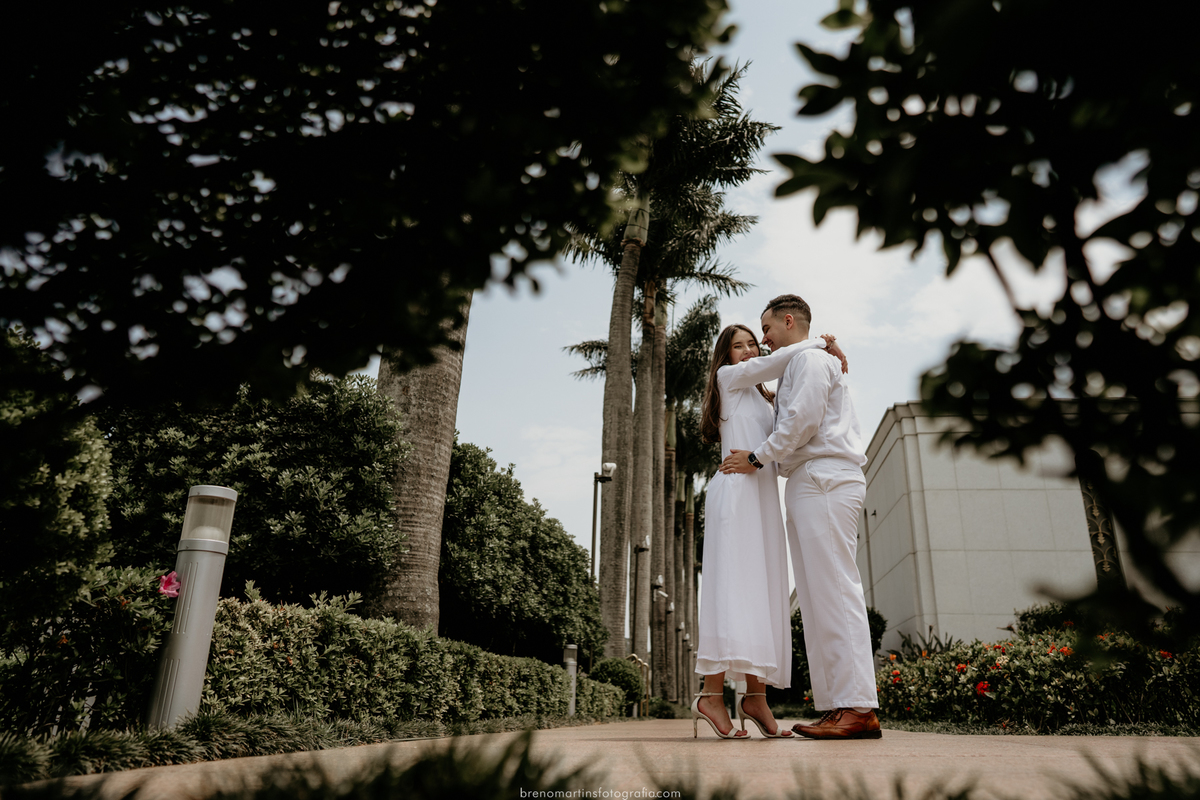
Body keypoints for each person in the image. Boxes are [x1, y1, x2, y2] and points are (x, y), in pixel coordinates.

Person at [720, 294, 880, 740]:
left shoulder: (810, 362)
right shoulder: (803, 362)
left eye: (767, 330)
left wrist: (756, 457)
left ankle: (858, 707)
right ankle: (839, 707)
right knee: (816, 597)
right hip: (811, 480)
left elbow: (802, 423)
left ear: (789, 321)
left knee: (834, 591)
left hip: (825, 477)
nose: (764, 340)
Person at [692, 323, 846, 739]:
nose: (747, 351)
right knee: (731, 588)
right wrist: (821, 343)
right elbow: (777, 360)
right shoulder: (730, 378)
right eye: (737, 346)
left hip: (761, 500)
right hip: (736, 496)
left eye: (751, 344)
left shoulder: (764, 398)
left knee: (762, 590)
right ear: (724, 358)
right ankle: (710, 693)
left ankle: (755, 696)